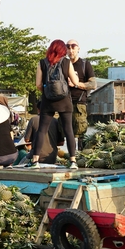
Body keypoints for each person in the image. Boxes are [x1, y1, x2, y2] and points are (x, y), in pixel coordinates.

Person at [30, 39, 80, 169]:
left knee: (42, 130)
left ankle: (35, 161)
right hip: (64, 100)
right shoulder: (66, 62)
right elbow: (75, 82)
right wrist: (74, 77)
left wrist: (47, 92)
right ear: (63, 50)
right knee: (68, 130)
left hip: (47, 101)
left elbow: (38, 84)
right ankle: (73, 161)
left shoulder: (42, 63)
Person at [66, 39, 96, 149]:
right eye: (68, 47)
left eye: (73, 47)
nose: (71, 50)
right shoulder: (63, 64)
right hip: (64, 103)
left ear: (78, 49)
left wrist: (76, 84)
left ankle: (81, 158)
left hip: (79, 104)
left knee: (80, 133)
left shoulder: (85, 64)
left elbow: (93, 84)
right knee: (64, 132)